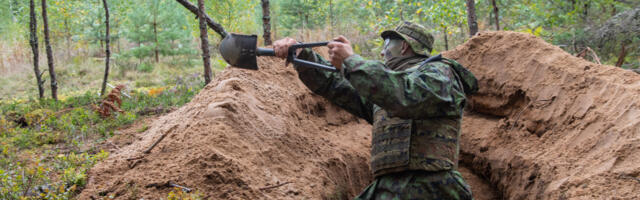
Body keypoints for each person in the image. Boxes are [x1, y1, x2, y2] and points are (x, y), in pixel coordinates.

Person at [273, 21, 478, 200]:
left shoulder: (440, 73)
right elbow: (337, 87)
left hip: (433, 187)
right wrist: (303, 54)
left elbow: (405, 95)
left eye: (387, 45)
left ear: (405, 46)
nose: (382, 52)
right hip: (389, 188)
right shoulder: (385, 87)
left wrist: (351, 62)